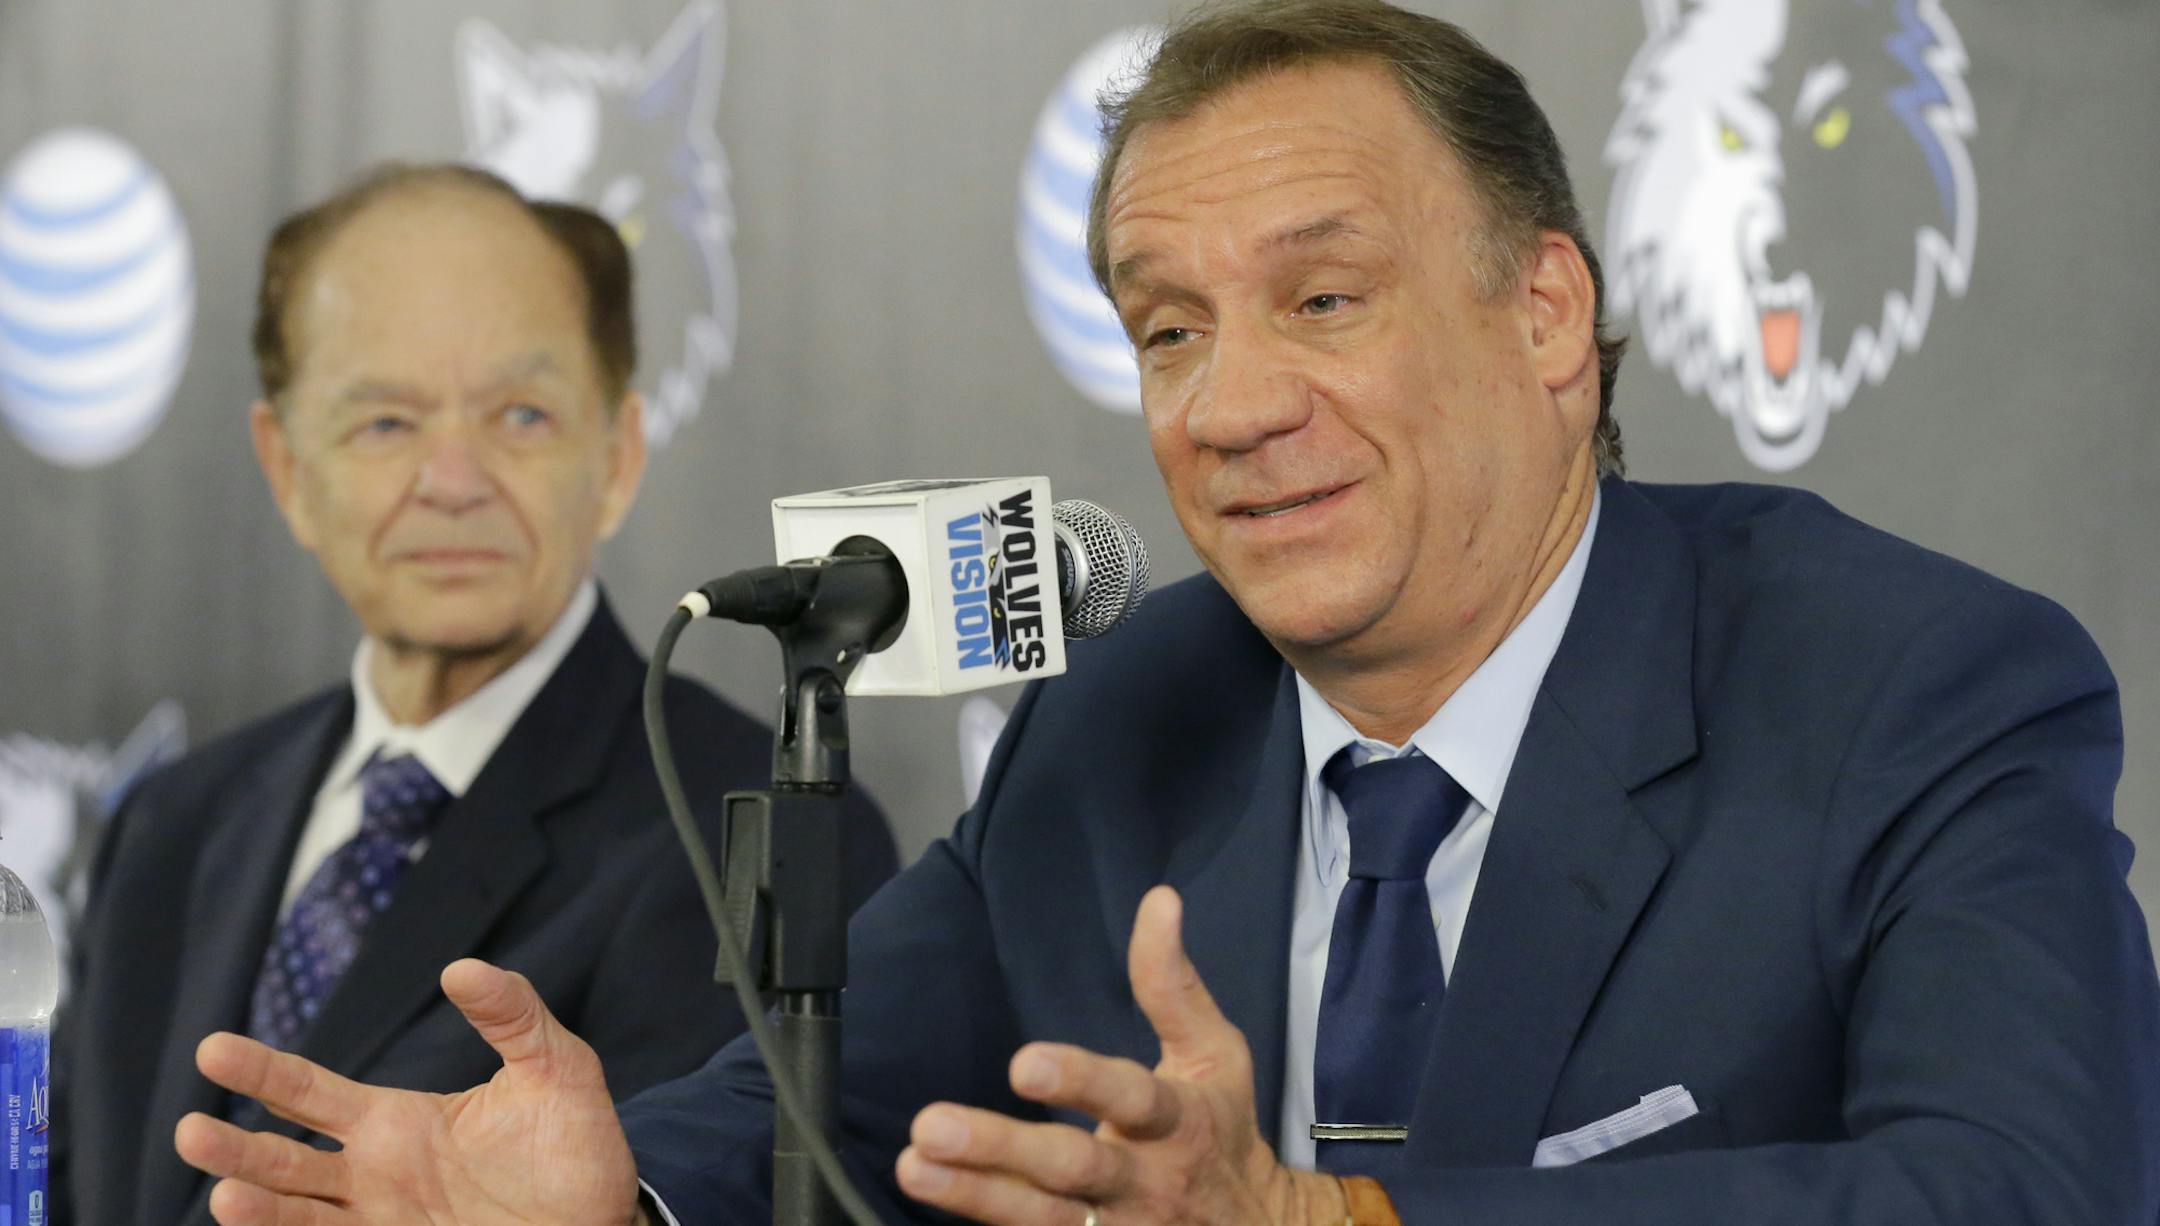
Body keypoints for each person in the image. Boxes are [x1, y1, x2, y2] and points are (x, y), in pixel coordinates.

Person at [170, 4, 2160, 1224]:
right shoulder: (1130, 712)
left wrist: (1344, 1219)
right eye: (1169, 328)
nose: (1227, 406)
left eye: (1322, 299)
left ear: (1548, 314)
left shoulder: (1912, 684)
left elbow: (2025, 1191)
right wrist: (619, 1204)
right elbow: (827, 1109)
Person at [55, 163, 899, 1226]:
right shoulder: (173, 821)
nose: (453, 478)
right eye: (386, 423)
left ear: (619, 454)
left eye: (521, 413)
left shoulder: (754, 829)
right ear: (286, 468)